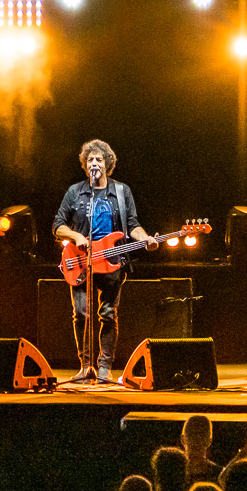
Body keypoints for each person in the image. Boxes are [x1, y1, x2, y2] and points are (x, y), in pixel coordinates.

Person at [52, 138, 157, 383]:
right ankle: (85, 366)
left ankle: (104, 368)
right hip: (81, 261)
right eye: (90, 159)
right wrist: (77, 236)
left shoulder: (121, 191)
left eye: (99, 159)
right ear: (84, 164)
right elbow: (58, 225)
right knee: (81, 313)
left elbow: (132, 224)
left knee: (108, 313)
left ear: (107, 163)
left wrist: (145, 239)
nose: (94, 163)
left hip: (112, 260)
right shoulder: (75, 192)